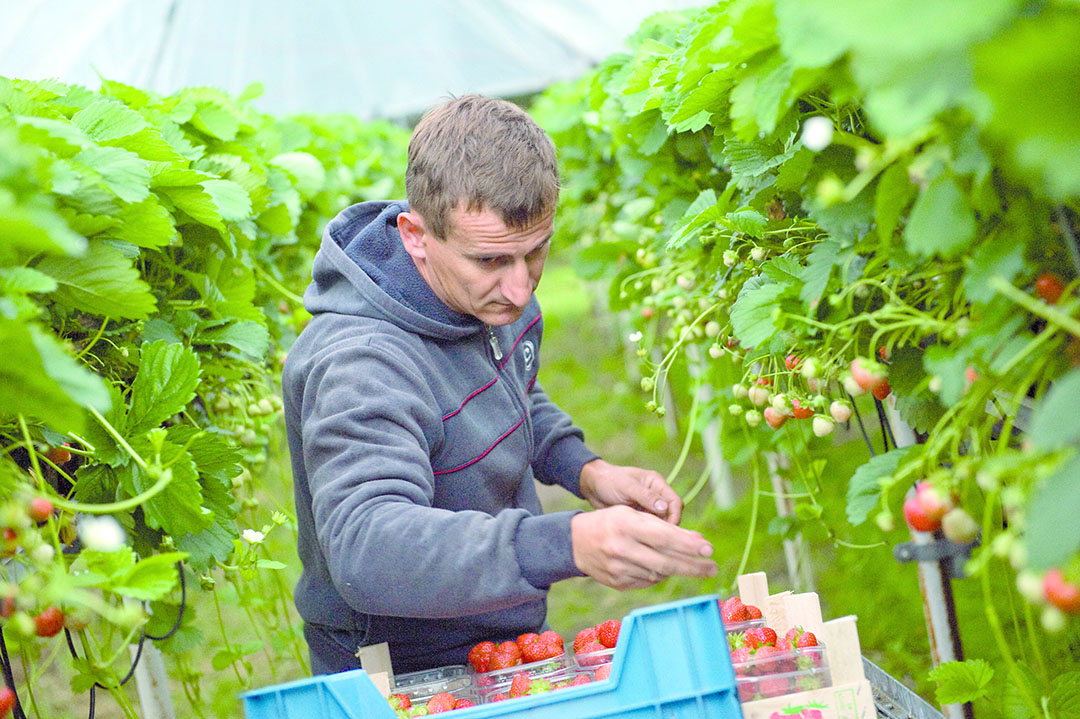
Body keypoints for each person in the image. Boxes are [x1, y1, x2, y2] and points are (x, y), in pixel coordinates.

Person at [282, 94, 718, 676]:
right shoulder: (361, 364)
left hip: (500, 635)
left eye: (536, 253)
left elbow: (509, 390)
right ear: (416, 236)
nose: (519, 289)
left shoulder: (484, 299)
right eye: (490, 261)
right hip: (401, 672)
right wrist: (567, 544)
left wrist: (586, 471)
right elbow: (367, 546)